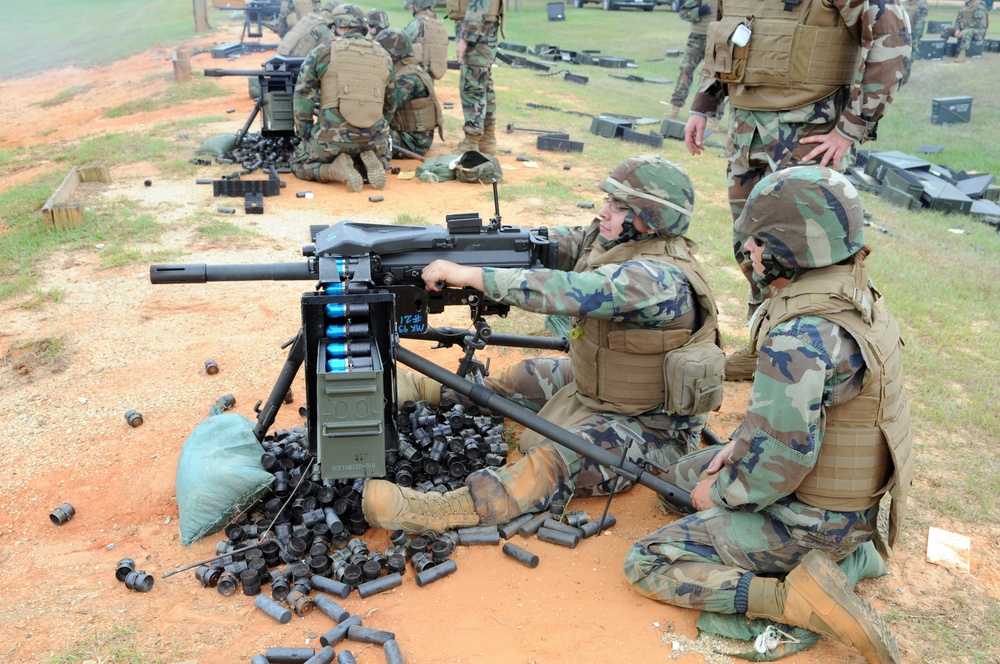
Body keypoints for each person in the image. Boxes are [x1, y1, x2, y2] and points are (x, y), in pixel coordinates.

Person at [622, 167, 912, 664]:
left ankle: (790, 598)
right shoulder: (854, 295)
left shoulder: (799, 335)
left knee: (648, 560)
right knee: (680, 479)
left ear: (787, 248)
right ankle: (846, 560)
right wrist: (735, 450)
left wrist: (723, 491)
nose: (748, 253)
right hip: (851, 506)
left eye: (756, 241)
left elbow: (778, 461)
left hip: (815, 520)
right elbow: (808, 418)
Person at [362, 156, 725, 533]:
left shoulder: (657, 280)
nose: (603, 213)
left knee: (554, 459)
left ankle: (445, 509)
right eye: (607, 201)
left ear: (649, 220)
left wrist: (471, 275)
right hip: (602, 385)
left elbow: (567, 291)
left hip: (653, 425)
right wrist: (472, 249)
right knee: (523, 376)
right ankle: (417, 388)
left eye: (618, 207)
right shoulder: (613, 240)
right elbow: (553, 246)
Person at [683, 0, 910, 380]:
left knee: (812, 255)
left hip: (808, 131)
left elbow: (893, 39)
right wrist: (703, 103)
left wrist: (851, 126)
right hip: (745, 131)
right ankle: (764, 348)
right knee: (752, 248)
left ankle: (822, 358)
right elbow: (727, 35)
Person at [290, 4, 394, 192]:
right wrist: (379, 131)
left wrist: (305, 133)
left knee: (298, 162)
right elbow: (390, 103)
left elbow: (303, 95)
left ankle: (335, 170)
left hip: (332, 139)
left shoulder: (323, 51)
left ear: (342, 27)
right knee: (380, 152)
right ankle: (370, 162)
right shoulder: (383, 55)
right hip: (374, 138)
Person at [374, 28, 444, 157]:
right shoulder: (406, 68)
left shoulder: (407, 79)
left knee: (360, 137)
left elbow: (383, 108)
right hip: (409, 135)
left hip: (412, 142)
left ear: (392, 54)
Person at [448, 0, 504, 155]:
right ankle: (487, 140)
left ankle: (472, 143)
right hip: (483, 30)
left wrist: (465, 38)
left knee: (472, 85)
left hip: (478, 33)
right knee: (483, 83)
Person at [667, 0, 725, 132]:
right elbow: (683, 12)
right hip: (697, 39)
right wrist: (698, 11)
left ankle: (714, 119)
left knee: (717, 78)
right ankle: (675, 107)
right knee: (685, 70)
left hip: (718, 40)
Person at [403, 0, 449, 81]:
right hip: (432, 69)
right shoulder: (439, 22)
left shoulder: (417, 22)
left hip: (417, 72)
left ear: (417, 6)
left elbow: (404, 43)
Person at [901, 0, 927, 84]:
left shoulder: (921, 5)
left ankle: (904, 78)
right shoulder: (904, 3)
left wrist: (912, 40)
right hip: (899, 35)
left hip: (911, 36)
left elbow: (919, 26)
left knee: (908, 57)